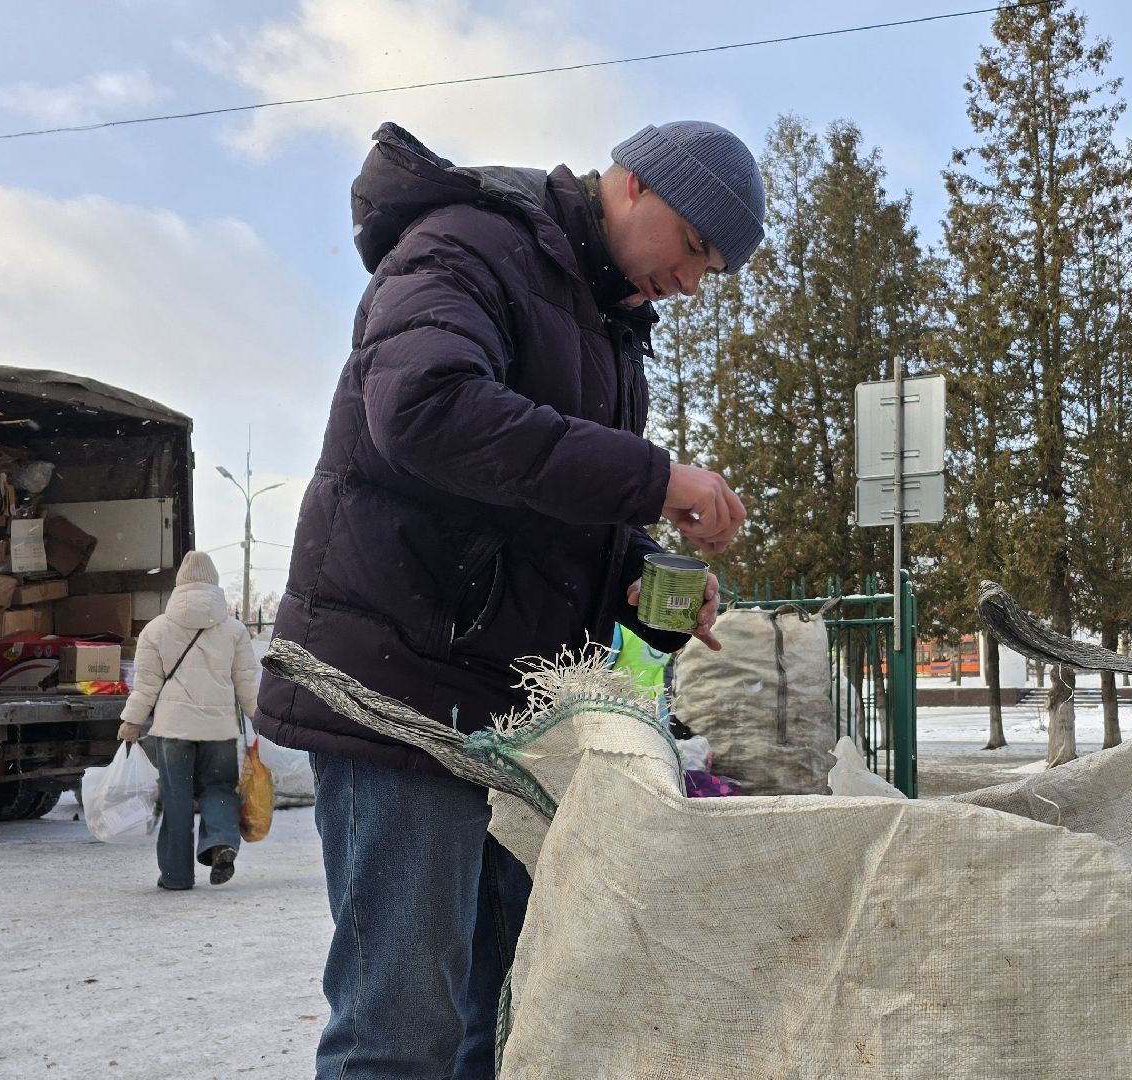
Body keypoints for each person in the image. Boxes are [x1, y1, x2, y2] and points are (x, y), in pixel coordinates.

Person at [253, 119, 762, 1078]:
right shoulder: (468, 243)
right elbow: (425, 410)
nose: (693, 281)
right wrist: (652, 477)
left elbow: (540, 506)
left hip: (502, 720)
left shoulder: (607, 328)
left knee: (501, 1023)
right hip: (400, 696)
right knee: (401, 1034)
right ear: (636, 186)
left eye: (713, 270)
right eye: (695, 247)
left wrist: (638, 573)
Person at [116, 550, 261, 890]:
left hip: (174, 730)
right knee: (219, 789)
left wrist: (131, 722)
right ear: (214, 584)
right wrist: (259, 718)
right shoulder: (235, 631)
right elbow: (246, 683)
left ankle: (177, 875)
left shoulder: (156, 630)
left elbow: (147, 686)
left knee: (177, 800)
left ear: (179, 584)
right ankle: (221, 841)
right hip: (219, 730)